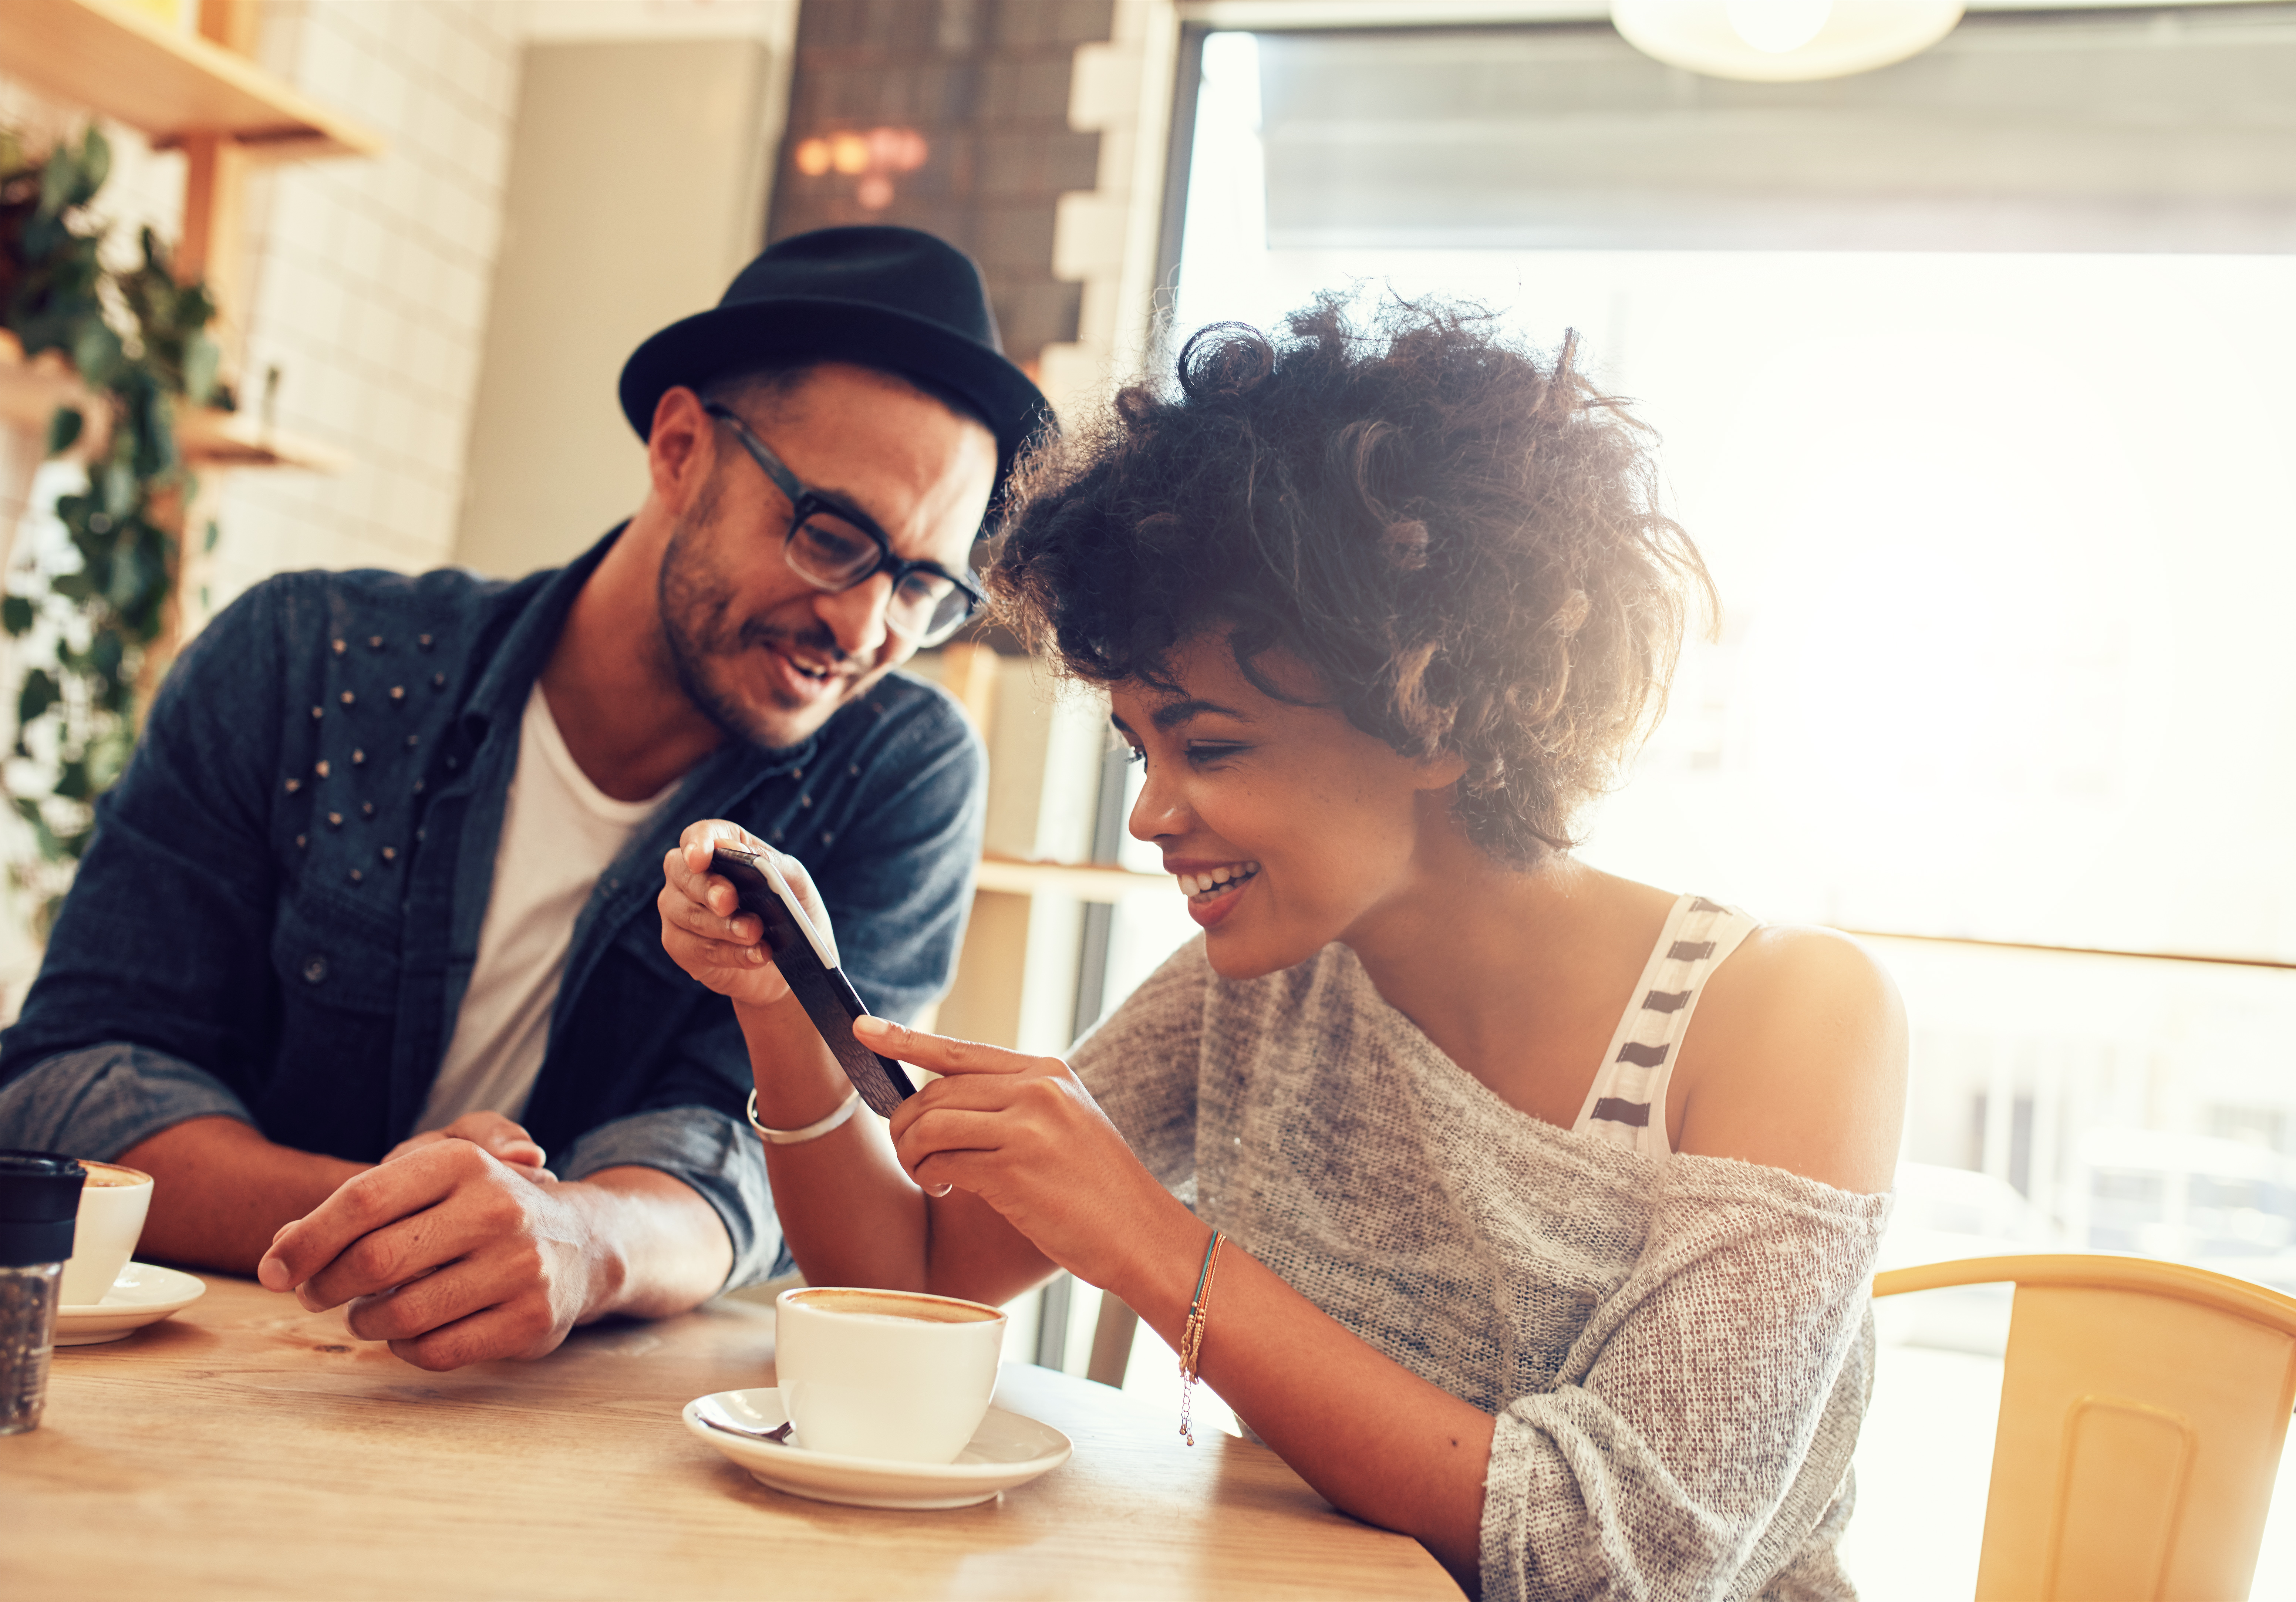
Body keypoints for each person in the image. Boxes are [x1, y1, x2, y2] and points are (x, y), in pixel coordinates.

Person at [658, 299, 1906, 1599]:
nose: (1149, 813)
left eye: (1212, 745)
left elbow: (1622, 1559)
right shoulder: (1262, 987)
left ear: (1438, 713)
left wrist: (1147, 1237)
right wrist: (776, 1005)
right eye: (1144, 749)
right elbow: (914, 1278)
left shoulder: (1790, 1016)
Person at [0, 226, 1047, 1371]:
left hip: (581, 1433)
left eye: (922, 587)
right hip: (204, 1375)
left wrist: (583, 1242)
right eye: (834, 537)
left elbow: (746, 1156)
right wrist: (442, 1225)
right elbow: (69, 1084)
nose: (864, 630)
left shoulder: (896, 770)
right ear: (681, 447)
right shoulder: (307, 659)